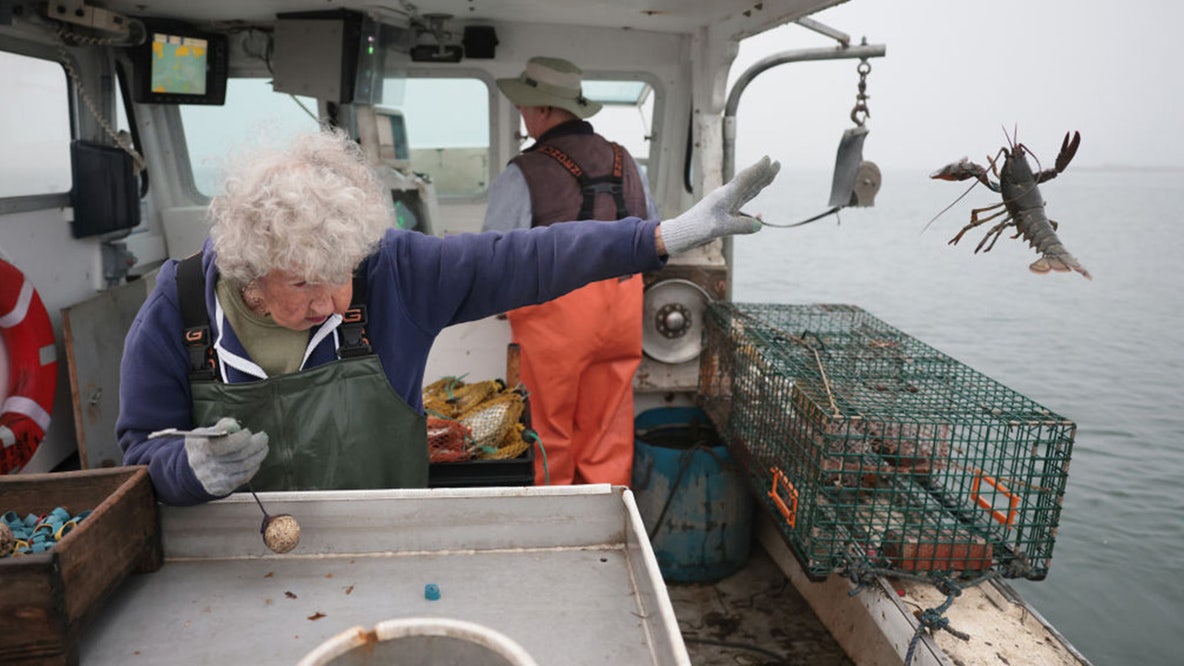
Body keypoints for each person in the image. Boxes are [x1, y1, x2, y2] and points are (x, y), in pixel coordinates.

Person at [116, 127, 779, 506]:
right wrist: (186, 470)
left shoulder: (391, 269)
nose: (329, 303)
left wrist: (661, 237)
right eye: (303, 285)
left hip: (389, 538)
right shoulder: (178, 309)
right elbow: (142, 448)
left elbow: (523, 257)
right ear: (249, 275)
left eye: (340, 276)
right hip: (234, 557)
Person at [482, 56, 656, 486]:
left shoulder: (524, 172)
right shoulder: (627, 162)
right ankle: (606, 524)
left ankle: (554, 531)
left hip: (556, 316)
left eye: (524, 105)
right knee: (607, 432)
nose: (522, 114)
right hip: (622, 308)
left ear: (542, 109)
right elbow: (655, 233)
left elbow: (493, 254)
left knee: (547, 432)